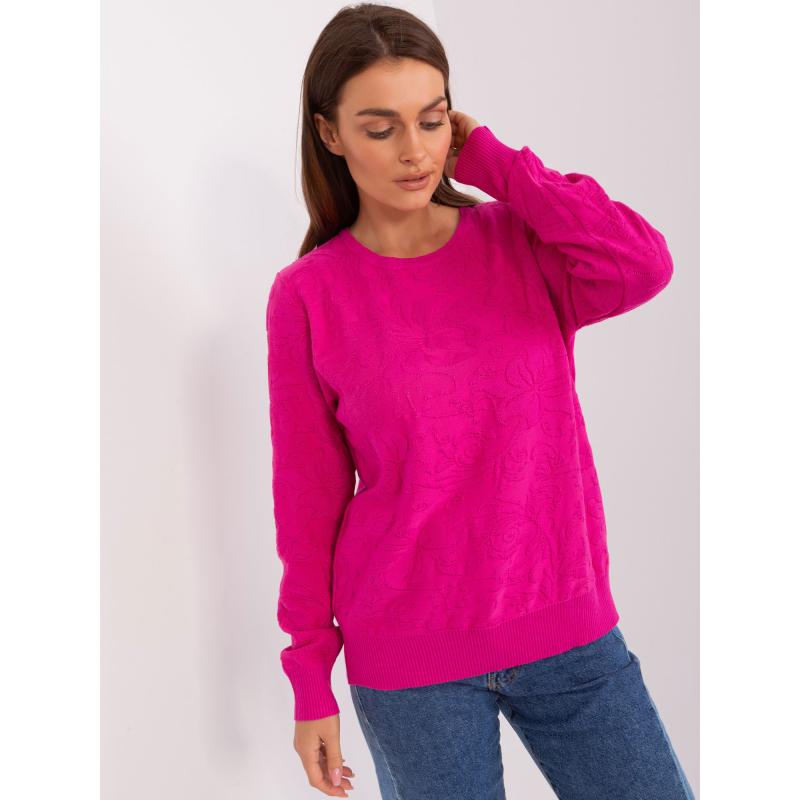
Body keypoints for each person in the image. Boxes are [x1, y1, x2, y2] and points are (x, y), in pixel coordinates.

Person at [265, 4, 695, 799]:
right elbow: (307, 499)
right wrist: (309, 677)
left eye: (431, 121)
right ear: (330, 134)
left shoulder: (521, 244)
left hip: (567, 630)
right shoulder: (309, 296)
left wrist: (495, 162)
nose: (414, 150)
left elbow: (641, 264)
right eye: (381, 127)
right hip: (409, 658)